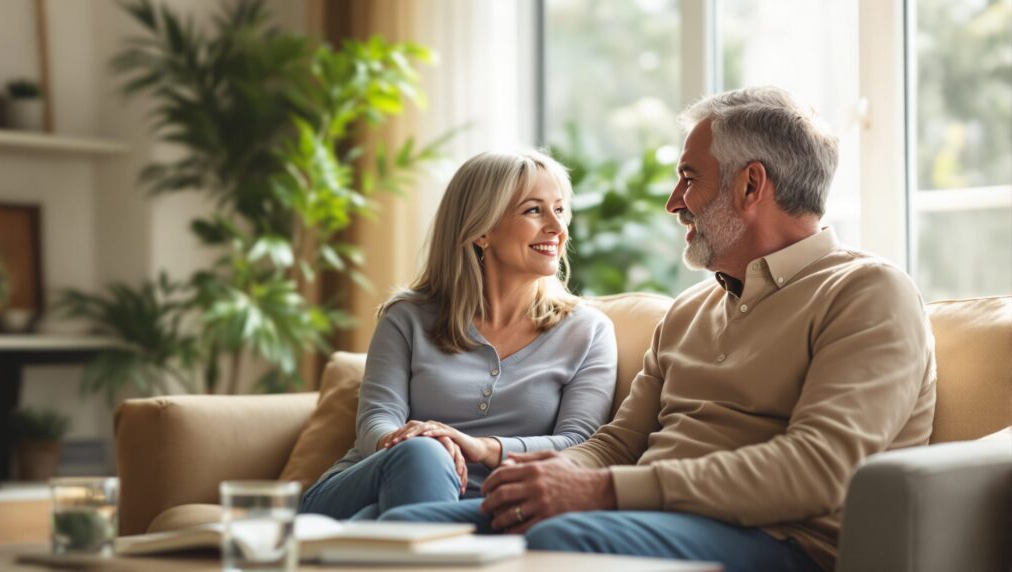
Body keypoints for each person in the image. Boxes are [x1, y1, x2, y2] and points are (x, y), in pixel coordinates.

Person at [379, 86, 937, 572]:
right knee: (407, 532)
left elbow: (819, 469)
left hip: (781, 544)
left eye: (688, 180)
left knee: (558, 538)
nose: (674, 203)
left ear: (751, 186)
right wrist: (535, 474)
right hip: (646, 518)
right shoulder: (691, 310)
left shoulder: (867, 293)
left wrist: (602, 492)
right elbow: (618, 444)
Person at [299, 149, 617, 521]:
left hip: (489, 508)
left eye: (560, 210)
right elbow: (376, 422)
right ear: (481, 230)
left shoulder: (587, 331)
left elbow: (580, 443)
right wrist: (419, 443)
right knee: (422, 457)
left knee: (376, 520)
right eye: (534, 210)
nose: (557, 228)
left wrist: (482, 448)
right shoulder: (408, 317)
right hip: (363, 482)